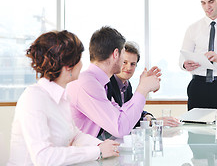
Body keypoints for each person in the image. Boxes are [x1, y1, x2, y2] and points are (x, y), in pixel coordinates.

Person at [7, 30, 119, 166]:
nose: (82, 65)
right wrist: (97, 151)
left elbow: (74, 135)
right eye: (79, 60)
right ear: (68, 67)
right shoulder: (34, 98)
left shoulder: (62, 97)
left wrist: (102, 145)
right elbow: (43, 158)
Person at [66, 26, 160, 139]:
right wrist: (143, 88)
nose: (126, 65)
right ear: (116, 54)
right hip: (79, 153)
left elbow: (121, 115)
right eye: (123, 54)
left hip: (91, 150)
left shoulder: (99, 83)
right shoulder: (87, 84)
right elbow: (120, 128)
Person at [108, 41, 180, 127]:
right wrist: (153, 121)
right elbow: (123, 120)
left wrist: (147, 116)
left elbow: (133, 110)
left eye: (133, 64)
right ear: (117, 61)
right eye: (124, 62)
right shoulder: (108, 84)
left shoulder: (126, 85)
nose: (128, 67)